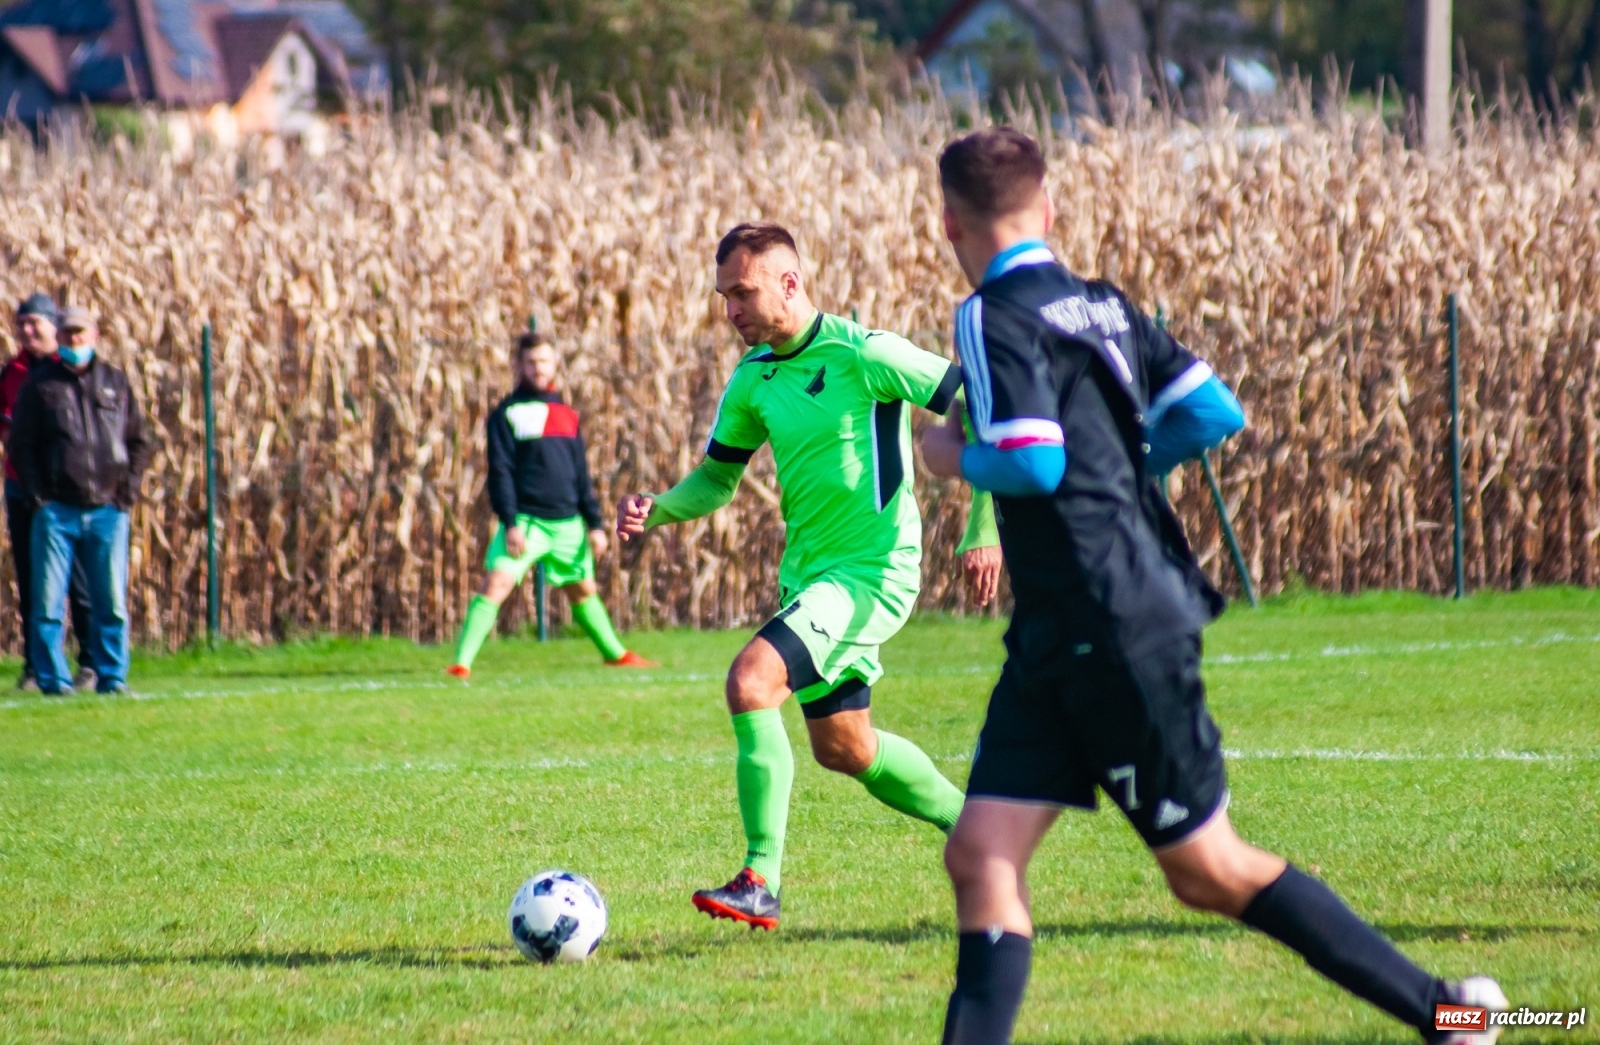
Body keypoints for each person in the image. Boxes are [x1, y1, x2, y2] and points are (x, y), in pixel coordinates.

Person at [918, 126, 1507, 1045]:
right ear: (1050, 208)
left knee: (1210, 870)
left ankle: (1450, 1014)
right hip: (1066, 633)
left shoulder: (989, 313)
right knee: (981, 852)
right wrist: (1122, 468)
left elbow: (1030, 464)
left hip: (1107, 625)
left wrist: (954, 453)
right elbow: (1208, 410)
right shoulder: (1102, 304)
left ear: (947, 222)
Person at [617, 222, 1001, 930]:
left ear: (789, 284)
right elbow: (716, 481)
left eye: (743, 292)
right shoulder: (753, 379)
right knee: (845, 748)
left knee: (750, 679)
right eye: (724, 296)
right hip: (811, 581)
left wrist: (983, 525)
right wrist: (659, 508)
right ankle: (978, 829)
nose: (731, 309)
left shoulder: (865, 353)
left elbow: (982, 407)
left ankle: (760, 878)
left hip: (873, 573)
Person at [447, 332, 654, 678]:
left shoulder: (567, 414)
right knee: (496, 584)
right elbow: (500, 471)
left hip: (569, 524)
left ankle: (615, 654)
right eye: (530, 361)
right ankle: (460, 664)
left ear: (555, 363)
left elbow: (581, 476)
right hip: (526, 523)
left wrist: (595, 525)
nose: (537, 367)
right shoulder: (506, 414)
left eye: (544, 360)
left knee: (582, 588)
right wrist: (510, 523)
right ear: (518, 366)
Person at [10, 306, 151, 696]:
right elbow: (21, 446)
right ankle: (54, 681)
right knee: (49, 605)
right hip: (57, 512)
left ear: (95, 335)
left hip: (107, 510)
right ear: (61, 336)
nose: (74, 340)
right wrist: (40, 497)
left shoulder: (115, 382)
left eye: (81, 333)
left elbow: (139, 442)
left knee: (111, 604)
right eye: (68, 333)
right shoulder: (40, 385)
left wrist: (127, 493)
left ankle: (112, 678)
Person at [1, 295, 93, 691]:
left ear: (55, 326)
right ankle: (36, 666)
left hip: (65, 491)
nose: (26, 331)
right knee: (30, 576)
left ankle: (90, 663)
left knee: (80, 579)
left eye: (34, 323)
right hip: (22, 487)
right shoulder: (12, 372)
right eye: (20, 324)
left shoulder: (70, 369)